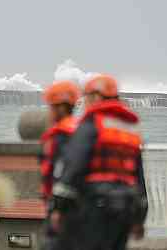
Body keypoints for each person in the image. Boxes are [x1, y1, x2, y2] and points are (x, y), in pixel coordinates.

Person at [52, 74, 148, 250]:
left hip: (95, 206)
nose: (85, 103)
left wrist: (59, 207)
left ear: (96, 96)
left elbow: (74, 166)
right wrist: (139, 218)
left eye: (86, 97)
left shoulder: (92, 123)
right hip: (125, 208)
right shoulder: (131, 129)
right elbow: (138, 177)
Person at [39, 80, 80, 250]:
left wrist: (57, 208)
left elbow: (63, 171)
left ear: (61, 108)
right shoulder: (81, 130)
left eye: (51, 107)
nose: (49, 112)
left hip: (63, 209)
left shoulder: (62, 135)